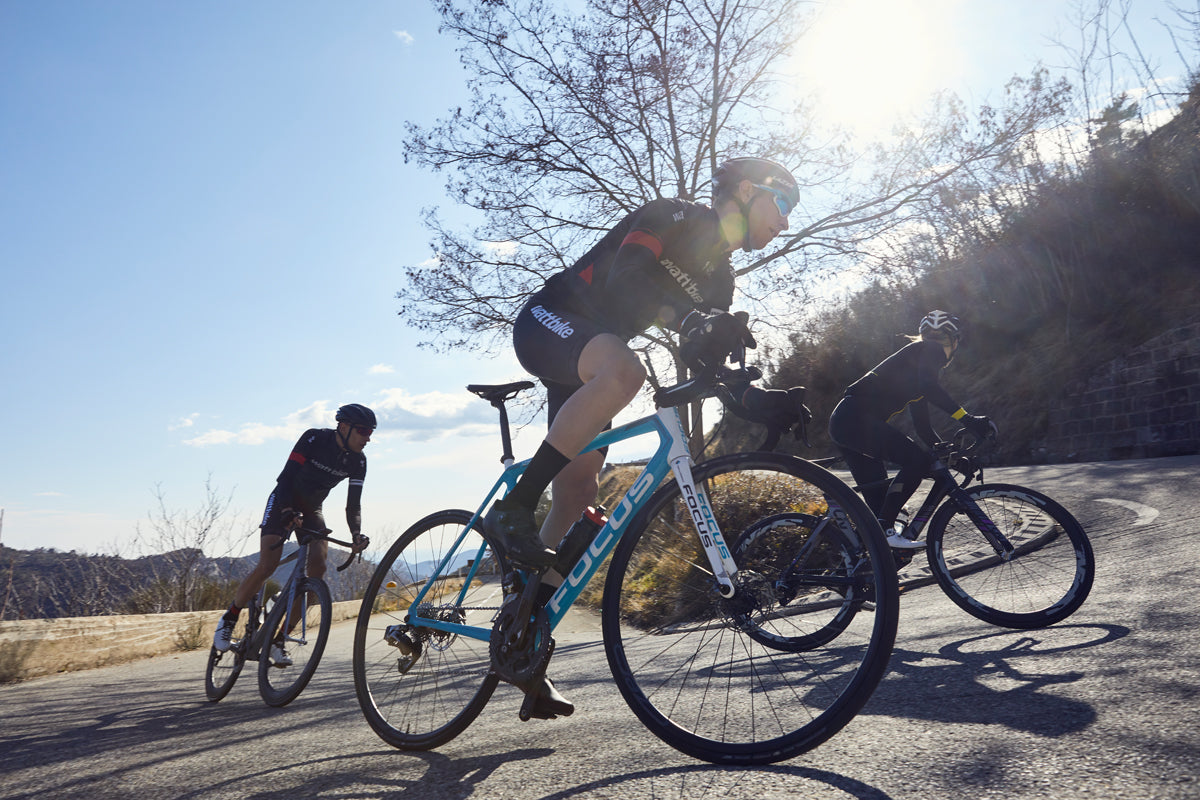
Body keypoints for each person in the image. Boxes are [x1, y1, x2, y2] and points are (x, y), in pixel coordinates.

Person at [486, 157, 798, 718]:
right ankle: (515, 508)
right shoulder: (672, 215)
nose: (787, 220)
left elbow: (705, 363)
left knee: (580, 491)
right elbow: (627, 279)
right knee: (625, 372)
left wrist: (756, 400)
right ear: (748, 191)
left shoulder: (720, 278)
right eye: (785, 204)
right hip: (549, 320)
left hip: (587, 355)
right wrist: (686, 319)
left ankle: (522, 642)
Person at [212, 403, 374, 662]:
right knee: (268, 564)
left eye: (371, 432)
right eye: (363, 431)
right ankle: (229, 618)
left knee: (318, 570)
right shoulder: (314, 438)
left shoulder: (359, 461)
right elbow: (285, 478)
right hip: (283, 500)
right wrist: (287, 510)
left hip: (312, 509)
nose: (368, 438)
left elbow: (353, 504)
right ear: (344, 427)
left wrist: (356, 534)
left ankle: (278, 638)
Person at [828, 311, 996, 549]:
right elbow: (930, 387)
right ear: (956, 342)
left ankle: (866, 567)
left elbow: (923, 428)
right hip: (855, 421)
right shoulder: (930, 354)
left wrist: (951, 460)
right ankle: (887, 531)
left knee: (877, 517)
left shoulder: (912, 372)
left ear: (953, 341)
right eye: (931, 338)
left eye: (942, 339)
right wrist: (968, 420)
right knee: (915, 462)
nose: (937, 344)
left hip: (846, 422)